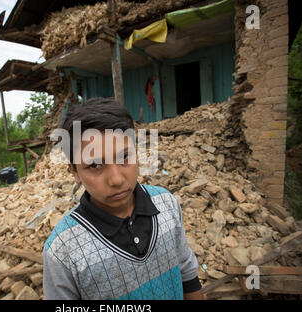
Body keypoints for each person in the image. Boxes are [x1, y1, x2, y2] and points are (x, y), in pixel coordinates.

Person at [43, 97, 204, 300]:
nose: (117, 179)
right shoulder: (62, 250)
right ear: (74, 172)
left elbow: (187, 275)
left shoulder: (167, 204)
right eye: (94, 165)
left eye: (124, 157)